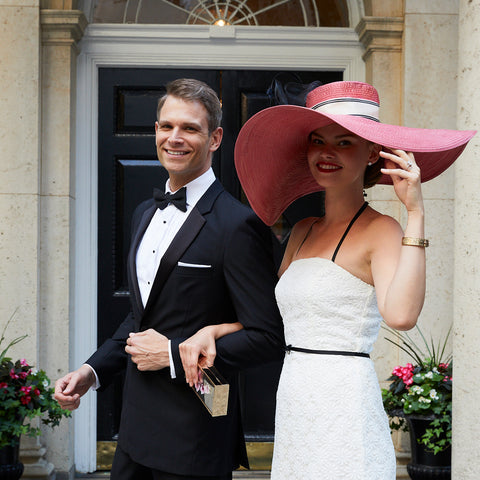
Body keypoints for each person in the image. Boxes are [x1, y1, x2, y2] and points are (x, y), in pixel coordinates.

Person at [230, 81, 475, 478]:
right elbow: (275, 318)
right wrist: (214, 332)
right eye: (318, 140)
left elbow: (401, 315)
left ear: (372, 153)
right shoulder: (302, 230)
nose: (326, 153)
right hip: (295, 398)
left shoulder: (383, 230)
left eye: (344, 142)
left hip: (343, 402)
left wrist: (415, 213)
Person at [54, 78, 284, 480]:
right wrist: (91, 372)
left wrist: (175, 354)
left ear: (214, 139)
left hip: (198, 427)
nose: (174, 138)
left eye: (190, 128)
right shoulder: (144, 213)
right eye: (166, 126)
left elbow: (267, 337)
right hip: (135, 427)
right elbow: (140, 317)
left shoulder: (238, 225)